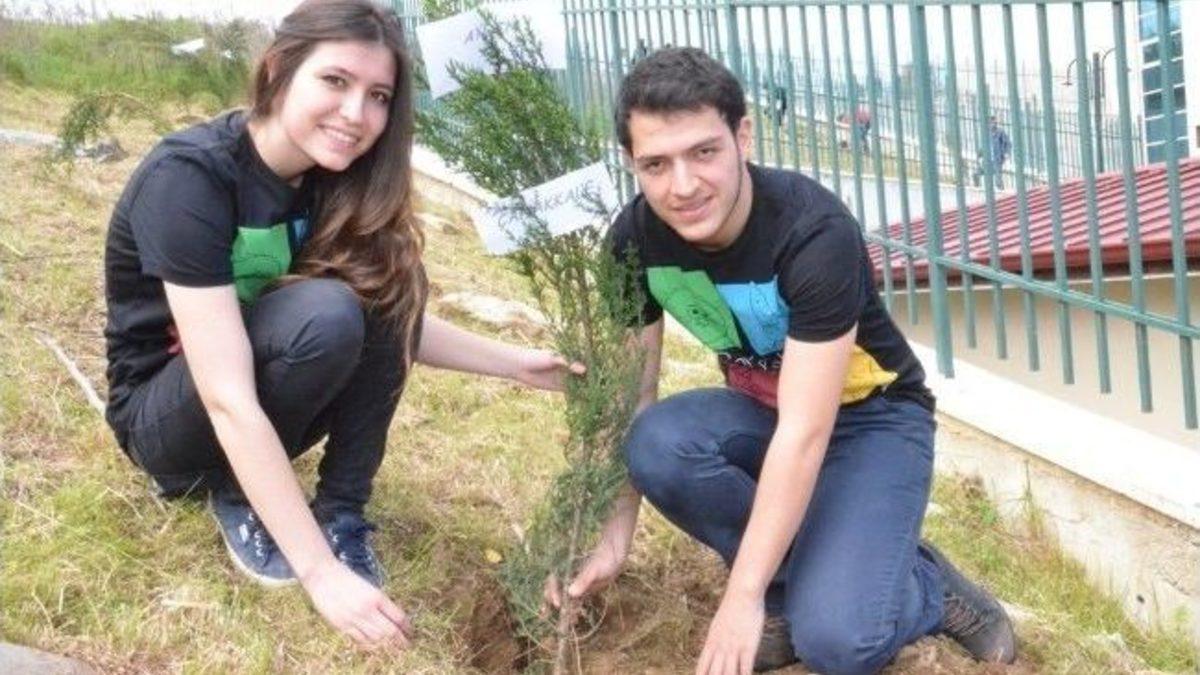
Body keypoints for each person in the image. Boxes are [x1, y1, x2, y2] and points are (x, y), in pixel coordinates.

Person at [103, 0, 579, 649]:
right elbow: (225, 394)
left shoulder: (330, 179)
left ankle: (340, 514)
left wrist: (516, 365)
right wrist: (320, 576)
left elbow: (392, 321)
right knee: (326, 312)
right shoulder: (190, 179)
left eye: (378, 95)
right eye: (335, 80)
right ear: (278, 69)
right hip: (167, 418)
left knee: (388, 283)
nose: (356, 113)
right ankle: (236, 490)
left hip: (249, 391)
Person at [545, 47, 1016, 675]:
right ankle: (805, 583)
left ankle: (925, 587)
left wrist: (740, 597)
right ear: (633, 163)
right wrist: (614, 533)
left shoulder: (812, 232)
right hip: (764, 412)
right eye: (656, 164)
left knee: (838, 644)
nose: (682, 186)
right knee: (658, 441)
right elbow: (631, 395)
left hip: (871, 422)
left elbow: (807, 431)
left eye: (703, 152)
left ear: (743, 137)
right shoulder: (635, 240)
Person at [976, 115, 1011, 189]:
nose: (993, 124)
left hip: (997, 158)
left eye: (994, 123)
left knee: (998, 178)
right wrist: (979, 155)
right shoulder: (986, 133)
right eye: (991, 123)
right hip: (987, 158)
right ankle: (977, 187)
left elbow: (1007, 143)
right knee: (978, 173)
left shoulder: (1000, 132)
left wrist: (1006, 153)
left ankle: (1000, 189)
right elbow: (983, 145)